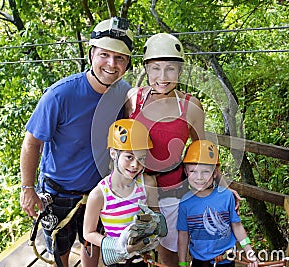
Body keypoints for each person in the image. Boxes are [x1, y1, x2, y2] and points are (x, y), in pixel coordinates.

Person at [20, 17, 134, 267]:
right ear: (92, 54)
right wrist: (27, 189)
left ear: (126, 64)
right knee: (60, 250)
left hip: (98, 191)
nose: (111, 64)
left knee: (91, 244)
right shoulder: (60, 95)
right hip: (58, 192)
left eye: (120, 58)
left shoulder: (123, 94)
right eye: (104, 55)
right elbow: (32, 142)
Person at [124, 33, 205, 267]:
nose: (162, 77)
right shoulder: (133, 99)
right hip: (134, 189)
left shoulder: (190, 106)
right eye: (155, 68)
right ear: (146, 69)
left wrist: (218, 189)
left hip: (171, 190)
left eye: (170, 69)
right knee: (133, 254)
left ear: (180, 71)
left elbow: (201, 152)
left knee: (170, 254)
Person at [84, 119, 167, 267]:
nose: (136, 165)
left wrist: (155, 229)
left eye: (141, 158)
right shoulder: (99, 195)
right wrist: (117, 245)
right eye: (129, 157)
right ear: (113, 153)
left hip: (143, 258)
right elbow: (88, 233)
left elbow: (156, 213)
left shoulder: (147, 184)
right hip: (117, 260)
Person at [177, 140, 258, 267]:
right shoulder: (185, 203)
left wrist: (249, 252)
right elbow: (183, 235)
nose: (199, 177)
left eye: (206, 172)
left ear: (215, 173)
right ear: (186, 172)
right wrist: (182, 262)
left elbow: (237, 226)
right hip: (200, 262)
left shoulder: (226, 197)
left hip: (226, 260)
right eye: (193, 171)